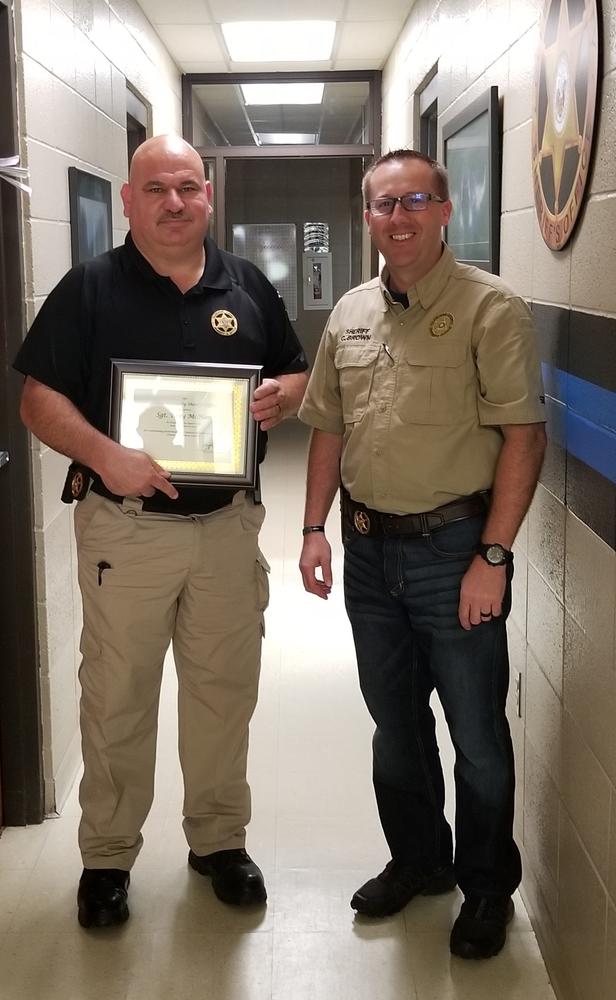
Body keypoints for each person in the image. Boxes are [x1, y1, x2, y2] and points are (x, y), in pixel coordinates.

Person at [14, 134, 308, 929]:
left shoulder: (246, 284)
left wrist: (285, 393)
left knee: (222, 693)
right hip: (128, 529)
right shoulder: (91, 287)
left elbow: (295, 369)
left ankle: (218, 842)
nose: (173, 203)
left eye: (187, 187)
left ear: (208, 194)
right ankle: (107, 856)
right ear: (128, 200)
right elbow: (38, 399)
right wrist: (107, 456)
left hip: (226, 530)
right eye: (155, 189)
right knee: (117, 696)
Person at [298, 149, 546, 960]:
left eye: (413, 201)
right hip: (369, 555)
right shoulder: (351, 311)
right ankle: (418, 862)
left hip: (455, 552)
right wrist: (313, 529)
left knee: (476, 735)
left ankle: (485, 888)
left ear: (444, 211)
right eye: (381, 204)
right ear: (366, 216)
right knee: (394, 727)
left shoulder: (491, 308)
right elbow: (328, 426)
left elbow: (524, 438)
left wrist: (495, 557)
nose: (396, 218)